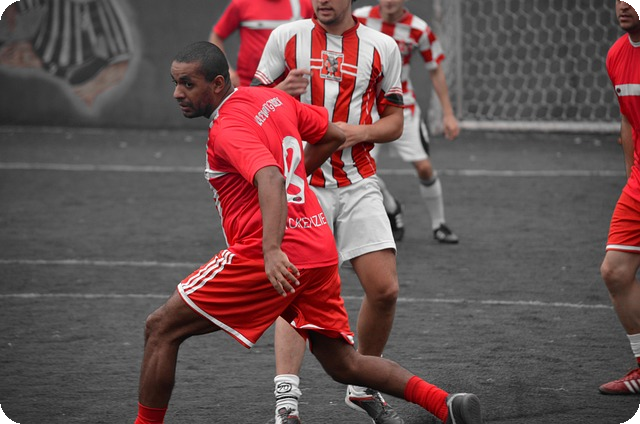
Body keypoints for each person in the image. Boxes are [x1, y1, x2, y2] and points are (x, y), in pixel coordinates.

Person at [133, 40, 484, 424]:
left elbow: (270, 177)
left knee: (160, 328)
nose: (177, 93)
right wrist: (297, 176)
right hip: (317, 246)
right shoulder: (270, 99)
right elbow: (332, 135)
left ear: (218, 84)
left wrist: (271, 251)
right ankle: (446, 404)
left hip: (270, 253)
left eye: (187, 84)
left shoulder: (227, 127)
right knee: (344, 363)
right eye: (175, 83)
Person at [252, 0, 412, 422]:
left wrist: (354, 132)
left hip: (359, 181)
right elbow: (252, 107)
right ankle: (286, 403)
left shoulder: (382, 46)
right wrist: (280, 95)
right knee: (294, 290)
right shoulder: (286, 37)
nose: (322, 0)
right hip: (302, 184)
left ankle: (362, 386)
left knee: (384, 289)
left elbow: (395, 122)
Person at [353, 0, 460, 244]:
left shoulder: (419, 29)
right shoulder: (359, 18)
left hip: (403, 107)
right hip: (365, 110)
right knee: (361, 173)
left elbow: (435, 69)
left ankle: (439, 224)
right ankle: (391, 207)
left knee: (424, 168)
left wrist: (448, 113)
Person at [599, 0, 640, 396]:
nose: (623, 5)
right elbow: (627, 119)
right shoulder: (616, 53)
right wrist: (631, 177)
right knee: (616, 271)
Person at [209, 0, 313, 87]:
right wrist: (227, 71)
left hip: (290, 85)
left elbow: (315, 35)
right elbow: (217, 36)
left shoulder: (303, 4)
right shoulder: (242, 3)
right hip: (247, 85)